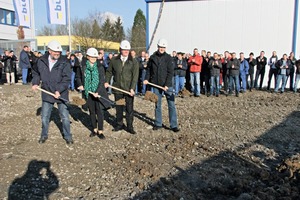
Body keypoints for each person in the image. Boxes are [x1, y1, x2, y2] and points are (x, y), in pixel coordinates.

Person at [32, 40, 73, 144]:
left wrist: (59, 90)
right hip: (46, 92)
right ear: (49, 51)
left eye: (59, 52)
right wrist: (35, 82)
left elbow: (67, 78)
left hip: (61, 93)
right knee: (45, 117)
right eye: (55, 52)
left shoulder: (64, 62)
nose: (57, 54)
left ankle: (68, 136)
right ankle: (43, 135)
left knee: (64, 117)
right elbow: (36, 72)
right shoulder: (41, 61)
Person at [144, 38, 180, 132]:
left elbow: (170, 72)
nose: (162, 49)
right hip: (156, 84)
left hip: (167, 85)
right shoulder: (152, 57)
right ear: (158, 47)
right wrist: (146, 79)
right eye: (160, 47)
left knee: (171, 104)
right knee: (157, 104)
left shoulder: (168, 58)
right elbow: (149, 70)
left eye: (163, 47)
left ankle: (173, 125)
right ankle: (158, 123)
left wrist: (167, 84)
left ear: (165, 48)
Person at [105, 40, 139, 134]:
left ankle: (129, 126)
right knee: (119, 107)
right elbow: (109, 72)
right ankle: (119, 124)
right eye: (124, 50)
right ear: (120, 49)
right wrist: (107, 81)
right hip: (118, 88)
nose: (126, 52)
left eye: (127, 50)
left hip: (128, 89)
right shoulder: (114, 60)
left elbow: (135, 76)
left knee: (129, 108)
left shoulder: (133, 61)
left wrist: (132, 88)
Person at [76, 48, 111, 139]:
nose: (93, 58)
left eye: (95, 57)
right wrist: (80, 84)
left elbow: (102, 80)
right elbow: (78, 77)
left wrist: (97, 91)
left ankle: (100, 130)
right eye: (91, 57)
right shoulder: (82, 66)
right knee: (92, 112)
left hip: (98, 93)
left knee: (100, 112)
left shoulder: (100, 67)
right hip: (88, 93)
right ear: (87, 57)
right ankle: (94, 129)